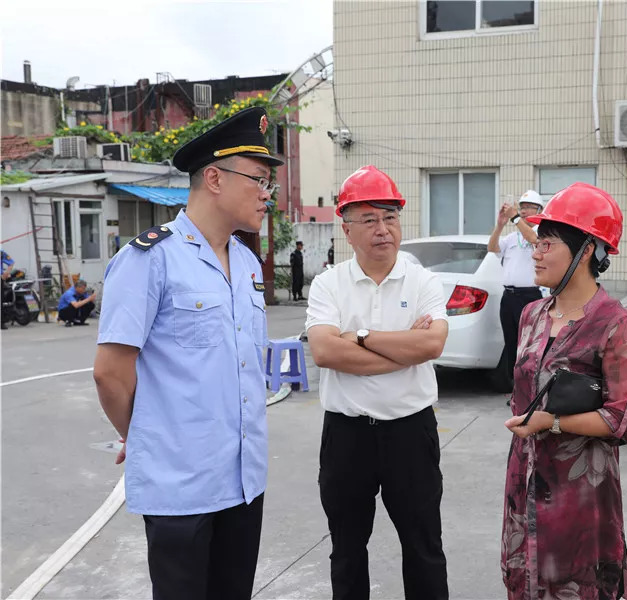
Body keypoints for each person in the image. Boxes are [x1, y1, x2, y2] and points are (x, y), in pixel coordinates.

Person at [92, 107, 282, 600]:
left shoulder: (245, 262)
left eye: (270, 182)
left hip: (243, 479)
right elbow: (111, 373)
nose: (267, 194)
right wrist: (145, 435)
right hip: (180, 488)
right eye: (259, 180)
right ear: (214, 178)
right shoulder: (148, 259)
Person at [306, 165, 450, 600]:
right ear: (347, 231)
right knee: (347, 550)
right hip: (347, 435)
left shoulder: (423, 280)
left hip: (411, 431)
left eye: (389, 217)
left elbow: (432, 346)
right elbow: (326, 352)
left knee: (423, 547)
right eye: (369, 220)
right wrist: (404, 349)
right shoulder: (328, 284)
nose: (382, 230)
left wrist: (363, 337)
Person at [501, 182, 627, 600]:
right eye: (537, 242)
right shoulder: (531, 314)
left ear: (586, 250)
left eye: (547, 243)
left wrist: (554, 422)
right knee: (526, 582)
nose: (535, 251)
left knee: (575, 587)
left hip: (580, 495)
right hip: (525, 478)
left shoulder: (615, 324)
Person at [488, 190, 545, 384]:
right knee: (511, 342)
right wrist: (499, 225)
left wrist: (514, 218)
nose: (525, 211)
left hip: (530, 296)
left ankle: (530, 383)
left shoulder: (541, 232)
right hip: (509, 296)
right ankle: (515, 385)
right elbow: (492, 248)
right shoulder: (513, 237)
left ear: (539, 210)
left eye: (530, 207)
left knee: (529, 343)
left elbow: (532, 239)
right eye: (522, 207)